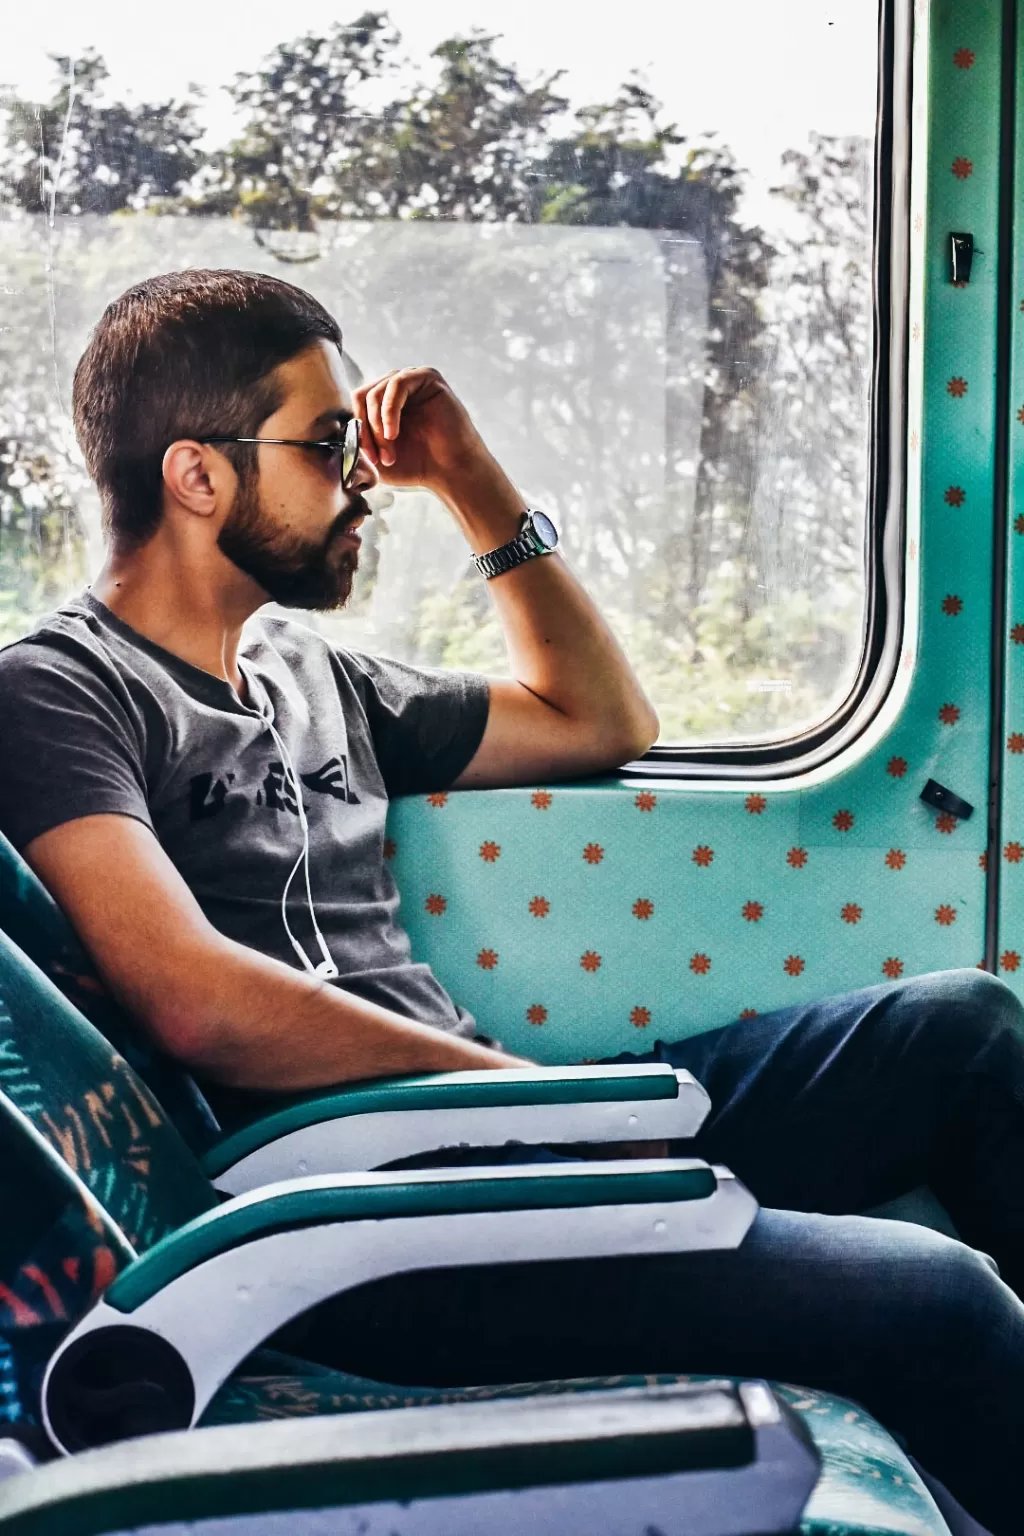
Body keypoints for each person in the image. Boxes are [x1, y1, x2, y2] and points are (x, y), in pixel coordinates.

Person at [0, 269, 1019, 1532]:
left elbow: (601, 718)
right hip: (361, 1215)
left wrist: (472, 477)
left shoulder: (313, 672)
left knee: (967, 1029)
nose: (358, 477)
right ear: (196, 475)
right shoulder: (59, 692)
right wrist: (526, 1111)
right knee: (945, 1301)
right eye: (325, 447)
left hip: (491, 1122)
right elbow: (192, 999)